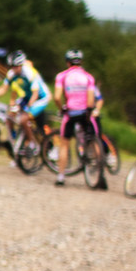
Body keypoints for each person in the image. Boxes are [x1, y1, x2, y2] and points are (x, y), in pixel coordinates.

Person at [51, 49, 99, 187]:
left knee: (65, 144)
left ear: (67, 62)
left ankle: (60, 176)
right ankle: (99, 171)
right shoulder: (88, 77)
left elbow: (56, 97)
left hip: (71, 113)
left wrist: (62, 108)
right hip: (85, 113)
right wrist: (89, 111)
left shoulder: (62, 76)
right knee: (94, 140)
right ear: (81, 62)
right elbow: (91, 100)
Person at [0, 50, 50, 141]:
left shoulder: (29, 73)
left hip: (40, 98)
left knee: (23, 119)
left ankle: (30, 143)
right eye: (11, 66)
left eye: (16, 66)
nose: (13, 69)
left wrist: (28, 107)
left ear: (21, 65)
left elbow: (35, 93)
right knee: (9, 116)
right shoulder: (11, 74)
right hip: (27, 97)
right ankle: (14, 140)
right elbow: (3, 89)